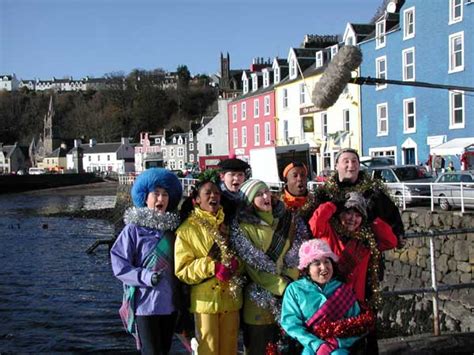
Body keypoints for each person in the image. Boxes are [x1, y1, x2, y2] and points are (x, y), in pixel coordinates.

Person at [230, 179, 307, 355]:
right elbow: (253, 265)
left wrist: (290, 280)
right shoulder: (243, 227)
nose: (266, 196)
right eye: (258, 194)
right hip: (258, 301)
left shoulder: (286, 220)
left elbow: (296, 253)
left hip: (288, 297)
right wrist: (282, 286)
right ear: (249, 201)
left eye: (266, 191)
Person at [110, 168, 183, 354]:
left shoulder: (176, 230)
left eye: (165, 194)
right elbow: (119, 265)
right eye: (156, 194)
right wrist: (145, 276)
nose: (161, 199)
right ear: (145, 197)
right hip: (145, 305)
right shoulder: (133, 230)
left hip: (170, 304)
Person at [175, 179, 243, 355]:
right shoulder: (186, 230)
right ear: (196, 199)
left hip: (231, 299)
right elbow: (182, 270)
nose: (213, 196)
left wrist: (237, 265)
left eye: (217, 193)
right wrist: (212, 267)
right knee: (208, 350)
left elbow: (243, 257)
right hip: (205, 302)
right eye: (207, 193)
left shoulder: (228, 226)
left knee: (230, 350)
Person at [281, 239, 374, 355]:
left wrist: (338, 342)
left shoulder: (343, 289)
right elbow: (290, 323)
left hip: (339, 346)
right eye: (317, 263)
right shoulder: (294, 290)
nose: (324, 267)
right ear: (307, 269)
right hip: (307, 345)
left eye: (327, 262)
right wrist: (316, 344)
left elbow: (358, 325)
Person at [308, 192, 398, 306]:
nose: (352, 218)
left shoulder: (366, 240)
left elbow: (391, 242)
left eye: (358, 215)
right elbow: (315, 224)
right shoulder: (329, 232)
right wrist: (332, 205)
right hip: (329, 300)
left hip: (356, 301)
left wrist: (374, 220)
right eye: (348, 213)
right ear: (340, 214)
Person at [313, 148, 405, 246]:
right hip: (332, 250)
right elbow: (315, 222)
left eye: (354, 161)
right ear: (336, 166)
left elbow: (391, 215)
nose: (351, 165)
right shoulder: (325, 193)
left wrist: (398, 234)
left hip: (365, 250)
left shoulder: (372, 192)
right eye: (346, 161)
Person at [218, 157, 250, 224]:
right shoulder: (217, 198)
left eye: (240, 174)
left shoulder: (249, 196)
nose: (236, 178)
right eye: (232, 174)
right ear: (222, 177)